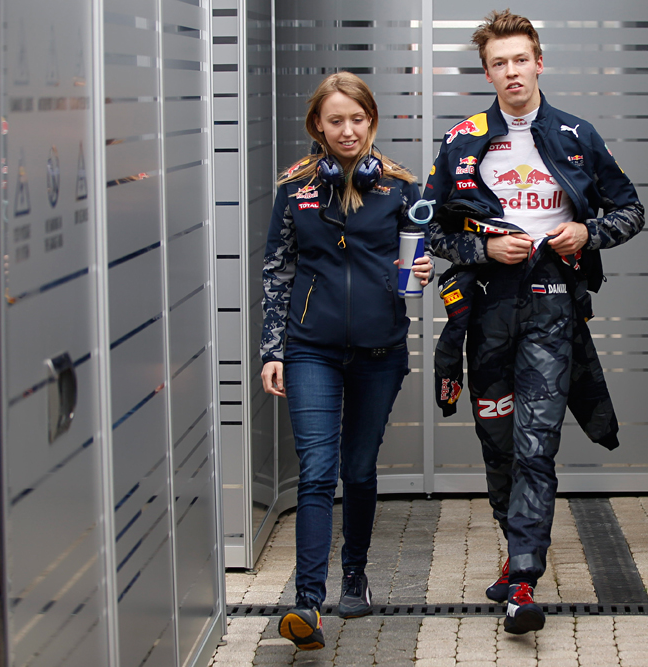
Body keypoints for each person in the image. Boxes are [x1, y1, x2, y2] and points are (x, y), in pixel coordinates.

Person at [423, 10, 645, 634]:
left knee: (535, 444)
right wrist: (481, 250)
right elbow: (432, 229)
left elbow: (631, 210)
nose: (511, 71)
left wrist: (587, 231)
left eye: (521, 59)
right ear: (487, 70)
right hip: (486, 313)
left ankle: (523, 577)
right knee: (498, 447)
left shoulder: (577, 133)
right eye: (499, 62)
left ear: (539, 61)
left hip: (552, 307)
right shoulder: (462, 139)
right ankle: (512, 547)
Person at [260, 71, 433, 651]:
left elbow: (420, 260)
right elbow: (278, 271)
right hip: (311, 348)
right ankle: (307, 602)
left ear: (371, 120)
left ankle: (354, 574)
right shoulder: (296, 187)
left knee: (357, 469)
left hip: (380, 350)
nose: (348, 130)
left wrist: (424, 273)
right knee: (316, 470)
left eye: (357, 118)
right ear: (318, 126)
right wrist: (273, 350)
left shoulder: (402, 189)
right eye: (336, 120)